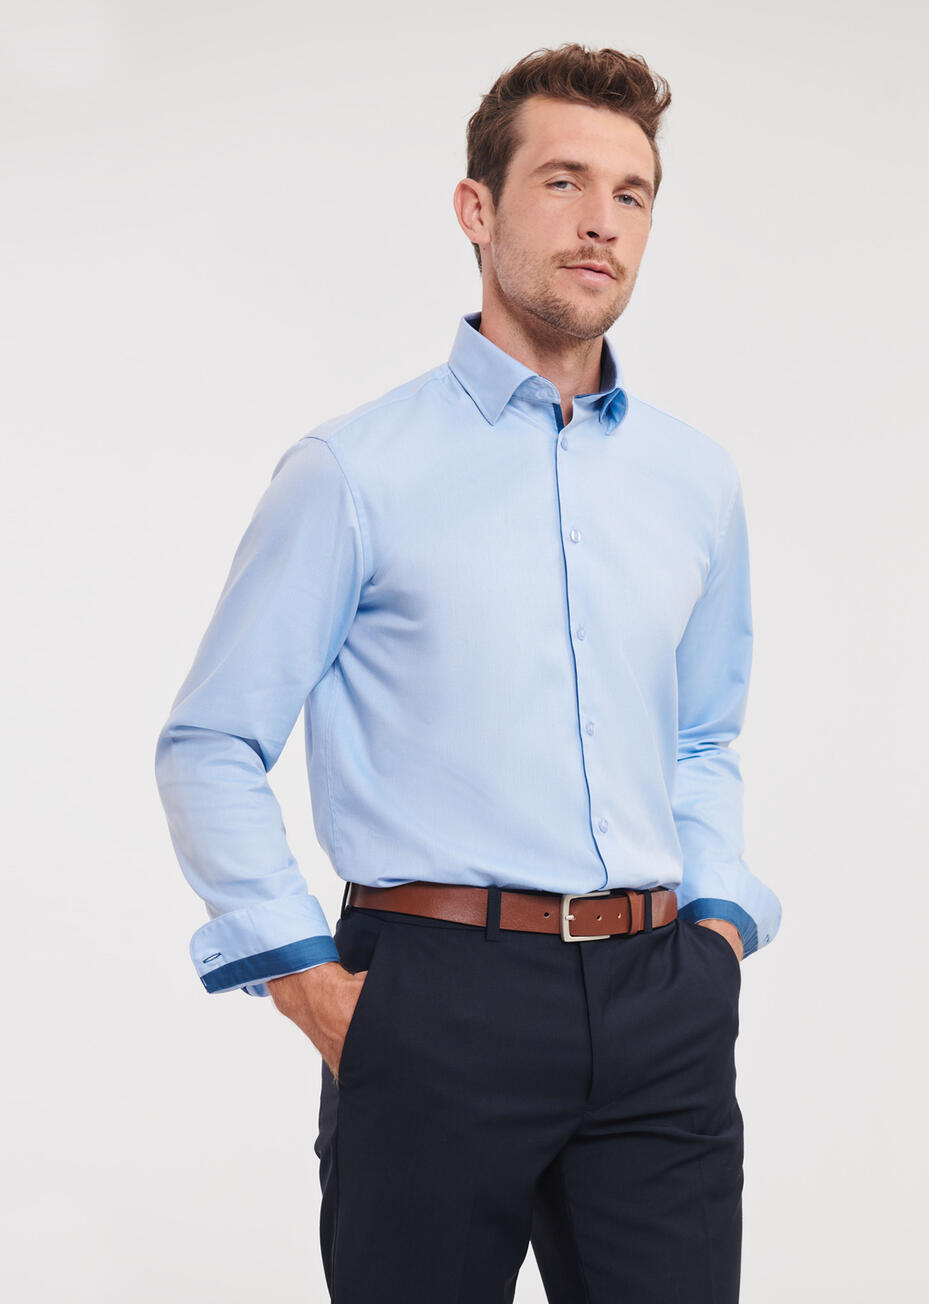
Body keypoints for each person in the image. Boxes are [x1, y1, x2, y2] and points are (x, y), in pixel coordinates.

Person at [154, 41, 782, 1304]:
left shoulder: (694, 481)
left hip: (659, 1001)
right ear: (476, 209)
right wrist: (311, 984)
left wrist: (715, 927)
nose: (601, 221)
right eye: (563, 181)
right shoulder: (353, 471)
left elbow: (701, 735)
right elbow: (210, 742)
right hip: (435, 997)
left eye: (630, 192)